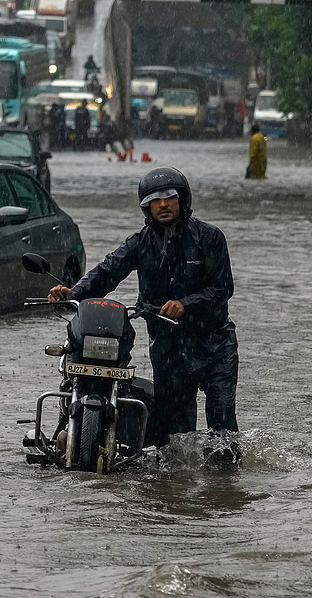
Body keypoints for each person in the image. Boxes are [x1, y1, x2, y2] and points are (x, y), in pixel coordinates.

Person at [47, 167, 239, 448]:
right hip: (168, 346)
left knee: (222, 427)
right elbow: (108, 270)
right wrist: (73, 292)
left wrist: (186, 304)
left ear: (182, 200)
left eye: (169, 197)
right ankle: (173, 489)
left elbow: (223, 288)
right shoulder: (140, 243)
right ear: (146, 207)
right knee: (175, 436)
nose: (162, 204)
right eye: (154, 200)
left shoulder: (210, 238)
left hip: (214, 344)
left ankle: (224, 486)